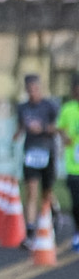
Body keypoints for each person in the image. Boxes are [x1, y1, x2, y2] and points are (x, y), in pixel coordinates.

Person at [13, 73, 59, 247]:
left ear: (39, 88)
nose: (32, 92)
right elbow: (20, 127)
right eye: (29, 89)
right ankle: (31, 231)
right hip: (30, 153)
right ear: (25, 89)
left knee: (46, 193)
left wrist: (43, 128)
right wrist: (17, 134)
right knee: (31, 192)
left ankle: (53, 212)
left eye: (35, 88)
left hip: (47, 152)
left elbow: (58, 128)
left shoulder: (49, 106)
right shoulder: (22, 108)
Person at [56, 74, 79, 252]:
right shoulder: (68, 108)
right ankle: (77, 233)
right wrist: (65, 137)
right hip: (74, 166)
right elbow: (60, 128)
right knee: (76, 203)